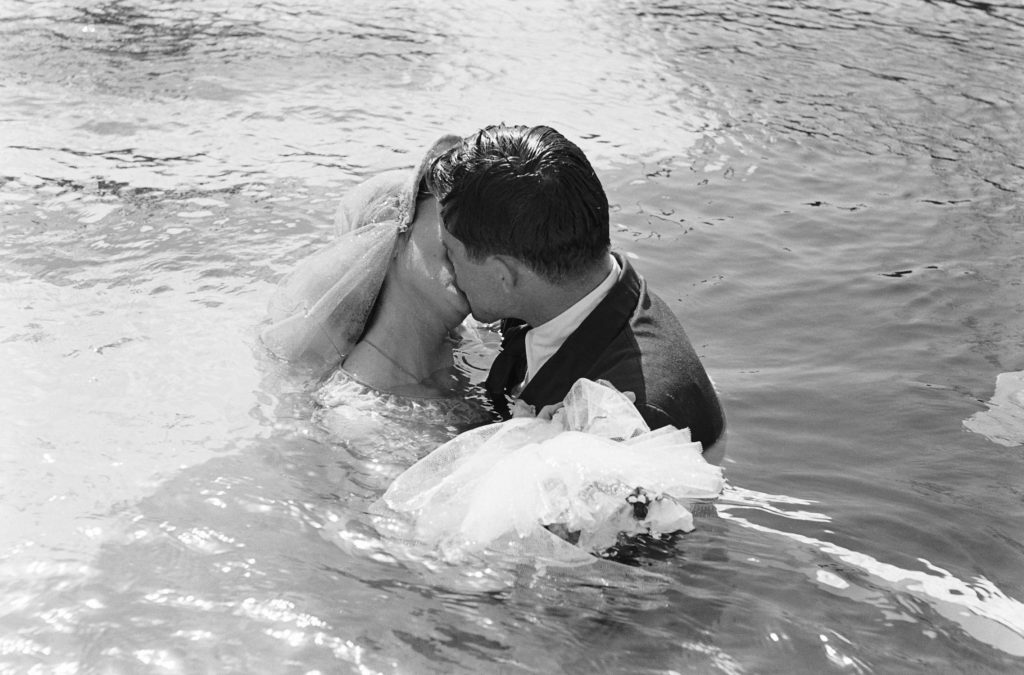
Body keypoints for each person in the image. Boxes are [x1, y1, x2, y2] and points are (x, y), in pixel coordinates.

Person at [428, 124, 726, 450]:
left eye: (450, 253)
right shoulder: (568, 287)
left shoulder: (627, 423)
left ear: (504, 274)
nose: (445, 266)